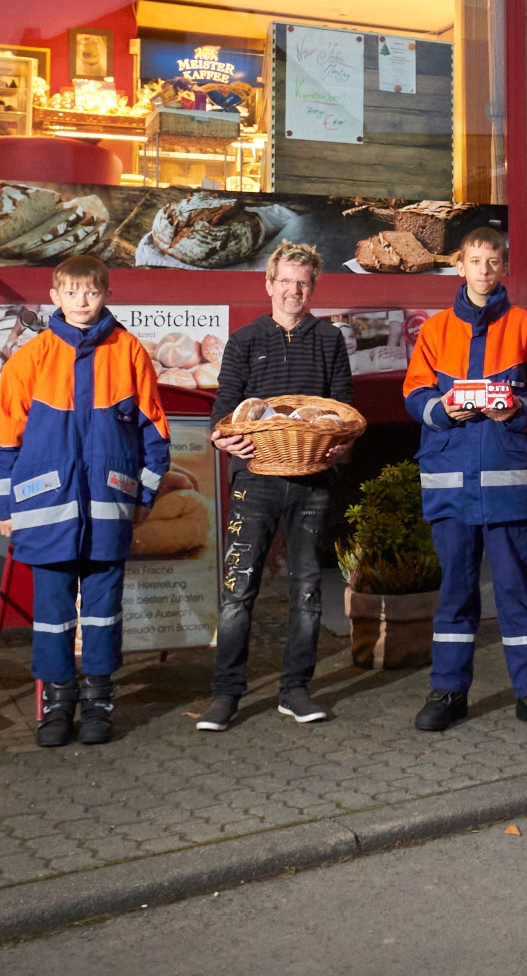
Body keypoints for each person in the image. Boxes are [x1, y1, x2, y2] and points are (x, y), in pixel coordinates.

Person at [0, 254, 170, 748]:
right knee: (51, 613)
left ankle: (99, 702)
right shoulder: (30, 358)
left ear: (106, 294)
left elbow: (155, 432)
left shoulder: (130, 352)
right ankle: (56, 704)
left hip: (109, 512)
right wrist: (6, 511)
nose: (82, 301)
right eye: (72, 292)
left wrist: (146, 496)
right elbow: (3, 442)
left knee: (103, 612)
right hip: (46, 516)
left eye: (91, 292)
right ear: (55, 297)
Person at [404, 227, 527, 734]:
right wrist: (443, 409)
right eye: (475, 261)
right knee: (455, 593)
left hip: (508, 487)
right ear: (460, 266)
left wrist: (519, 408)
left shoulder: (525, 327)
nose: (484, 270)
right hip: (451, 484)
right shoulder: (434, 331)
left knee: (518, 593)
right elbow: (413, 393)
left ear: (503, 268)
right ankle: (449, 691)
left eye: (493, 261)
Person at [200, 241, 356, 732]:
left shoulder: (329, 339)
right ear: (268, 284)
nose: (294, 290)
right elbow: (223, 411)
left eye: (303, 282)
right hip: (256, 480)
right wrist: (224, 441)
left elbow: (343, 410)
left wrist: (340, 448)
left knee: (308, 588)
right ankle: (226, 695)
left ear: (313, 287)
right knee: (237, 589)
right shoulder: (245, 340)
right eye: (285, 281)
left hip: (311, 481)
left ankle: (295, 689)